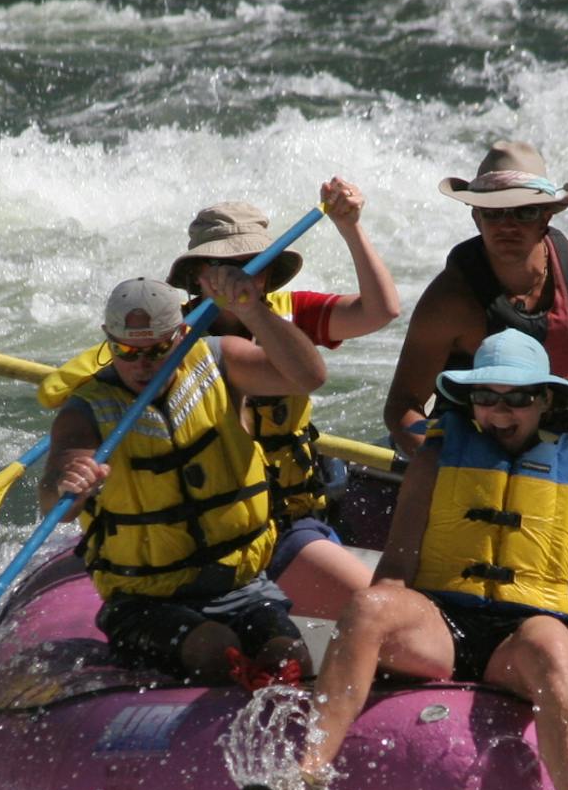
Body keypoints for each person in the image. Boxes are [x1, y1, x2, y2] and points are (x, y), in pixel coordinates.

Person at [248, 329, 568, 790]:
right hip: (442, 624)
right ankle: (309, 771)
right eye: (486, 397)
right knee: (371, 604)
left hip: (522, 638)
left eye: (517, 398)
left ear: (544, 400)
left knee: (553, 645)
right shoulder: (436, 459)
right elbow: (397, 567)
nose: (499, 411)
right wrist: (373, 638)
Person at [38, 272, 328, 687]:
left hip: (242, 587)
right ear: (108, 338)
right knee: (215, 647)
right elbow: (56, 503)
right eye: (125, 350)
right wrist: (69, 482)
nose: (141, 364)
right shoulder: (85, 411)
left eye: (157, 350)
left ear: (182, 334)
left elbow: (308, 377)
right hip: (144, 602)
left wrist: (251, 311)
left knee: (289, 656)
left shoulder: (220, 361)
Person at [166, 180, 400, 621]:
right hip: (209, 530)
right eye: (223, 265)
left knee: (385, 614)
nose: (238, 276)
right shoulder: (167, 341)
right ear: (198, 276)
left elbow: (381, 310)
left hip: (288, 522)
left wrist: (349, 228)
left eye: (250, 264)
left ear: (269, 274)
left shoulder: (290, 315)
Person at [381, 139, 568, 459]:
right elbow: (402, 407)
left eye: (524, 212)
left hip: (554, 420)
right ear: (476, 217)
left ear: (546, 216)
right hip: (469, 427)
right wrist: (438, 462)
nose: (508, 225)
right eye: (494, 212)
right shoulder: (450, 300)